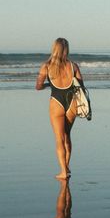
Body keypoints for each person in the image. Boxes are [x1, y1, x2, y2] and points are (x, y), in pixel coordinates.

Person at [35, 38, 85, 179]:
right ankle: (67, 167)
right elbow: (81, 87)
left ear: (54, 49)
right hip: (72, 104)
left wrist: (48, 85)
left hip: (56, 103)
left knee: (58, 139)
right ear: (66, 49)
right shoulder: (73, 66)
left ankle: (63, 171)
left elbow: (38, 86)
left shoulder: (46, 66)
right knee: (67, 136)